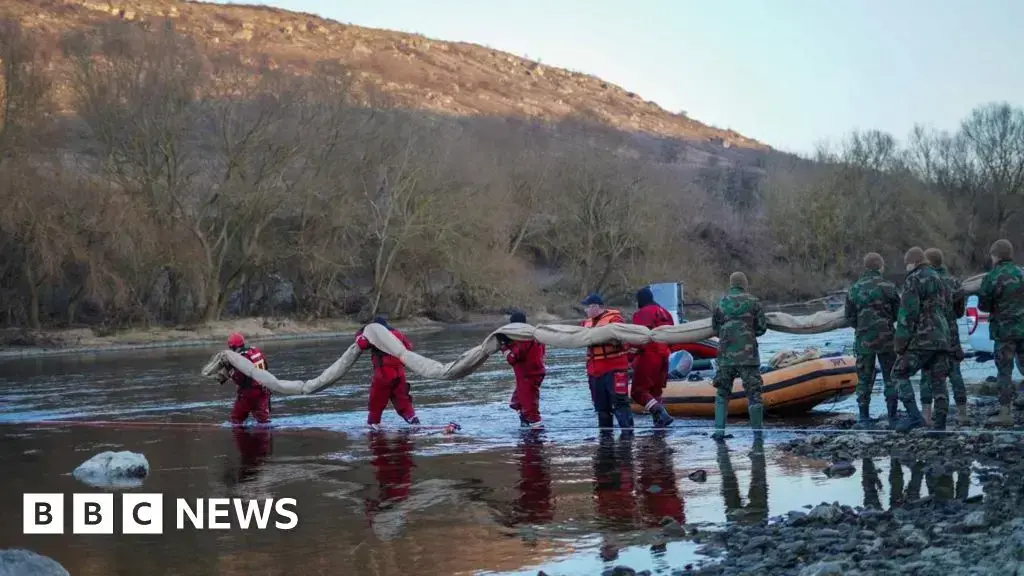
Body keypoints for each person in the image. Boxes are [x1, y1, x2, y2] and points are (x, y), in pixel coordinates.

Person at [891, 247, 952, 433]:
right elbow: (948, 308)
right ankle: (940, 426)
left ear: (914, 262)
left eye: (907, 264)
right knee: (939, 381)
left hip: (923, 338)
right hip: (942, 337)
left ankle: (914, 416)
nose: (906, 267)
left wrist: (900, 344)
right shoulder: (940, 278)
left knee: (898, 373)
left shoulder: (914, 279)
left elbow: (908, 314)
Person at [844, 252, 900, 428]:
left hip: (864, 340)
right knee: (890, 377)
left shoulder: (854, 289)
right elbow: (898, 313)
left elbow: (849, 317)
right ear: (880, 267)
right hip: (887, 339)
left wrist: (861, 327)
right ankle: (892, 416)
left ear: (865, 267)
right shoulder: (889, 287)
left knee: (864, 379)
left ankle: (864, 417)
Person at [710, 272, 768, 440]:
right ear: (744, 284)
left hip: (725, 356)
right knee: (754, 395)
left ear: (731, 284)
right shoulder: (753, 302)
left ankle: (719, 432)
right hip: (748, 357)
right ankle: (757, 435)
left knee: (722, 393)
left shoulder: (721, 302)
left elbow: (715, 328)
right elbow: (761, 328)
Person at [977, 239, 1024, 426]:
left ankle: (1005, 413)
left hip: (1004, 332)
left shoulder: (992, 277)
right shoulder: (1021, 273)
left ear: (995, 256)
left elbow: (983, 305)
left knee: (1004, 371)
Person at [921, 248, 969, 426]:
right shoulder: (954, 282)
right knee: (955, 371)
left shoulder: (923, 281)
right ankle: (962, 413)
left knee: (927, 373)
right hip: (951, 333)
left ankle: (926, 415)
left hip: (929, 333)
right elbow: (959, 312)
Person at [580, 293, 634, 430]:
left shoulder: (615, 320)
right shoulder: (585, 323)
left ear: (595, 306)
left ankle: (628, 434)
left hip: (614, 369)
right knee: (601, 407)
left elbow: (622, 339)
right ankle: (605, 437)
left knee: (620, 403)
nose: (585, 310)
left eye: (587, 307)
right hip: (595, 371)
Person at [356, 316, 420, 430]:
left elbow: (362, 344)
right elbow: (408, 348)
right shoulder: (397, 333)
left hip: (383, 374)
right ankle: (412, 418)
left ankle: (373, 423)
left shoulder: (375, 335)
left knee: (377, 400)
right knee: (402, 398)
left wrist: (359, 334)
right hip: (399, 373)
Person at [629, 287, 675, 428]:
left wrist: (629, 357)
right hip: (664, 356)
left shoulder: (642, 314)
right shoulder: (666, 313)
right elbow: (673, 336)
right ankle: (659, 425)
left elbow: (637, 337)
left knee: (638, 392)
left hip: (649, 355)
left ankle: (660, 412)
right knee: (655, 392)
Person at [497, 311, 547, 428]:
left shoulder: (523, 339)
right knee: (517, 402)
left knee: (530, 408)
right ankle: (526, 424)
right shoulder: (533, 335)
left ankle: (536, 433)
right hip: (533, 373)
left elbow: (514, 358)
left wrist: (504, 347)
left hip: (528, 376)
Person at [224, 332, 272, 426]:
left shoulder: (241, 358)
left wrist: (230, 373)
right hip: (264, 389)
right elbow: (266, 366)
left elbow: (240, 379)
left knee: (236, 420)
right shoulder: (255, 351)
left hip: (249, 393)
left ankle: (242, 434)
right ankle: (266, 434)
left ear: (234, 347)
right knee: (263, 420)